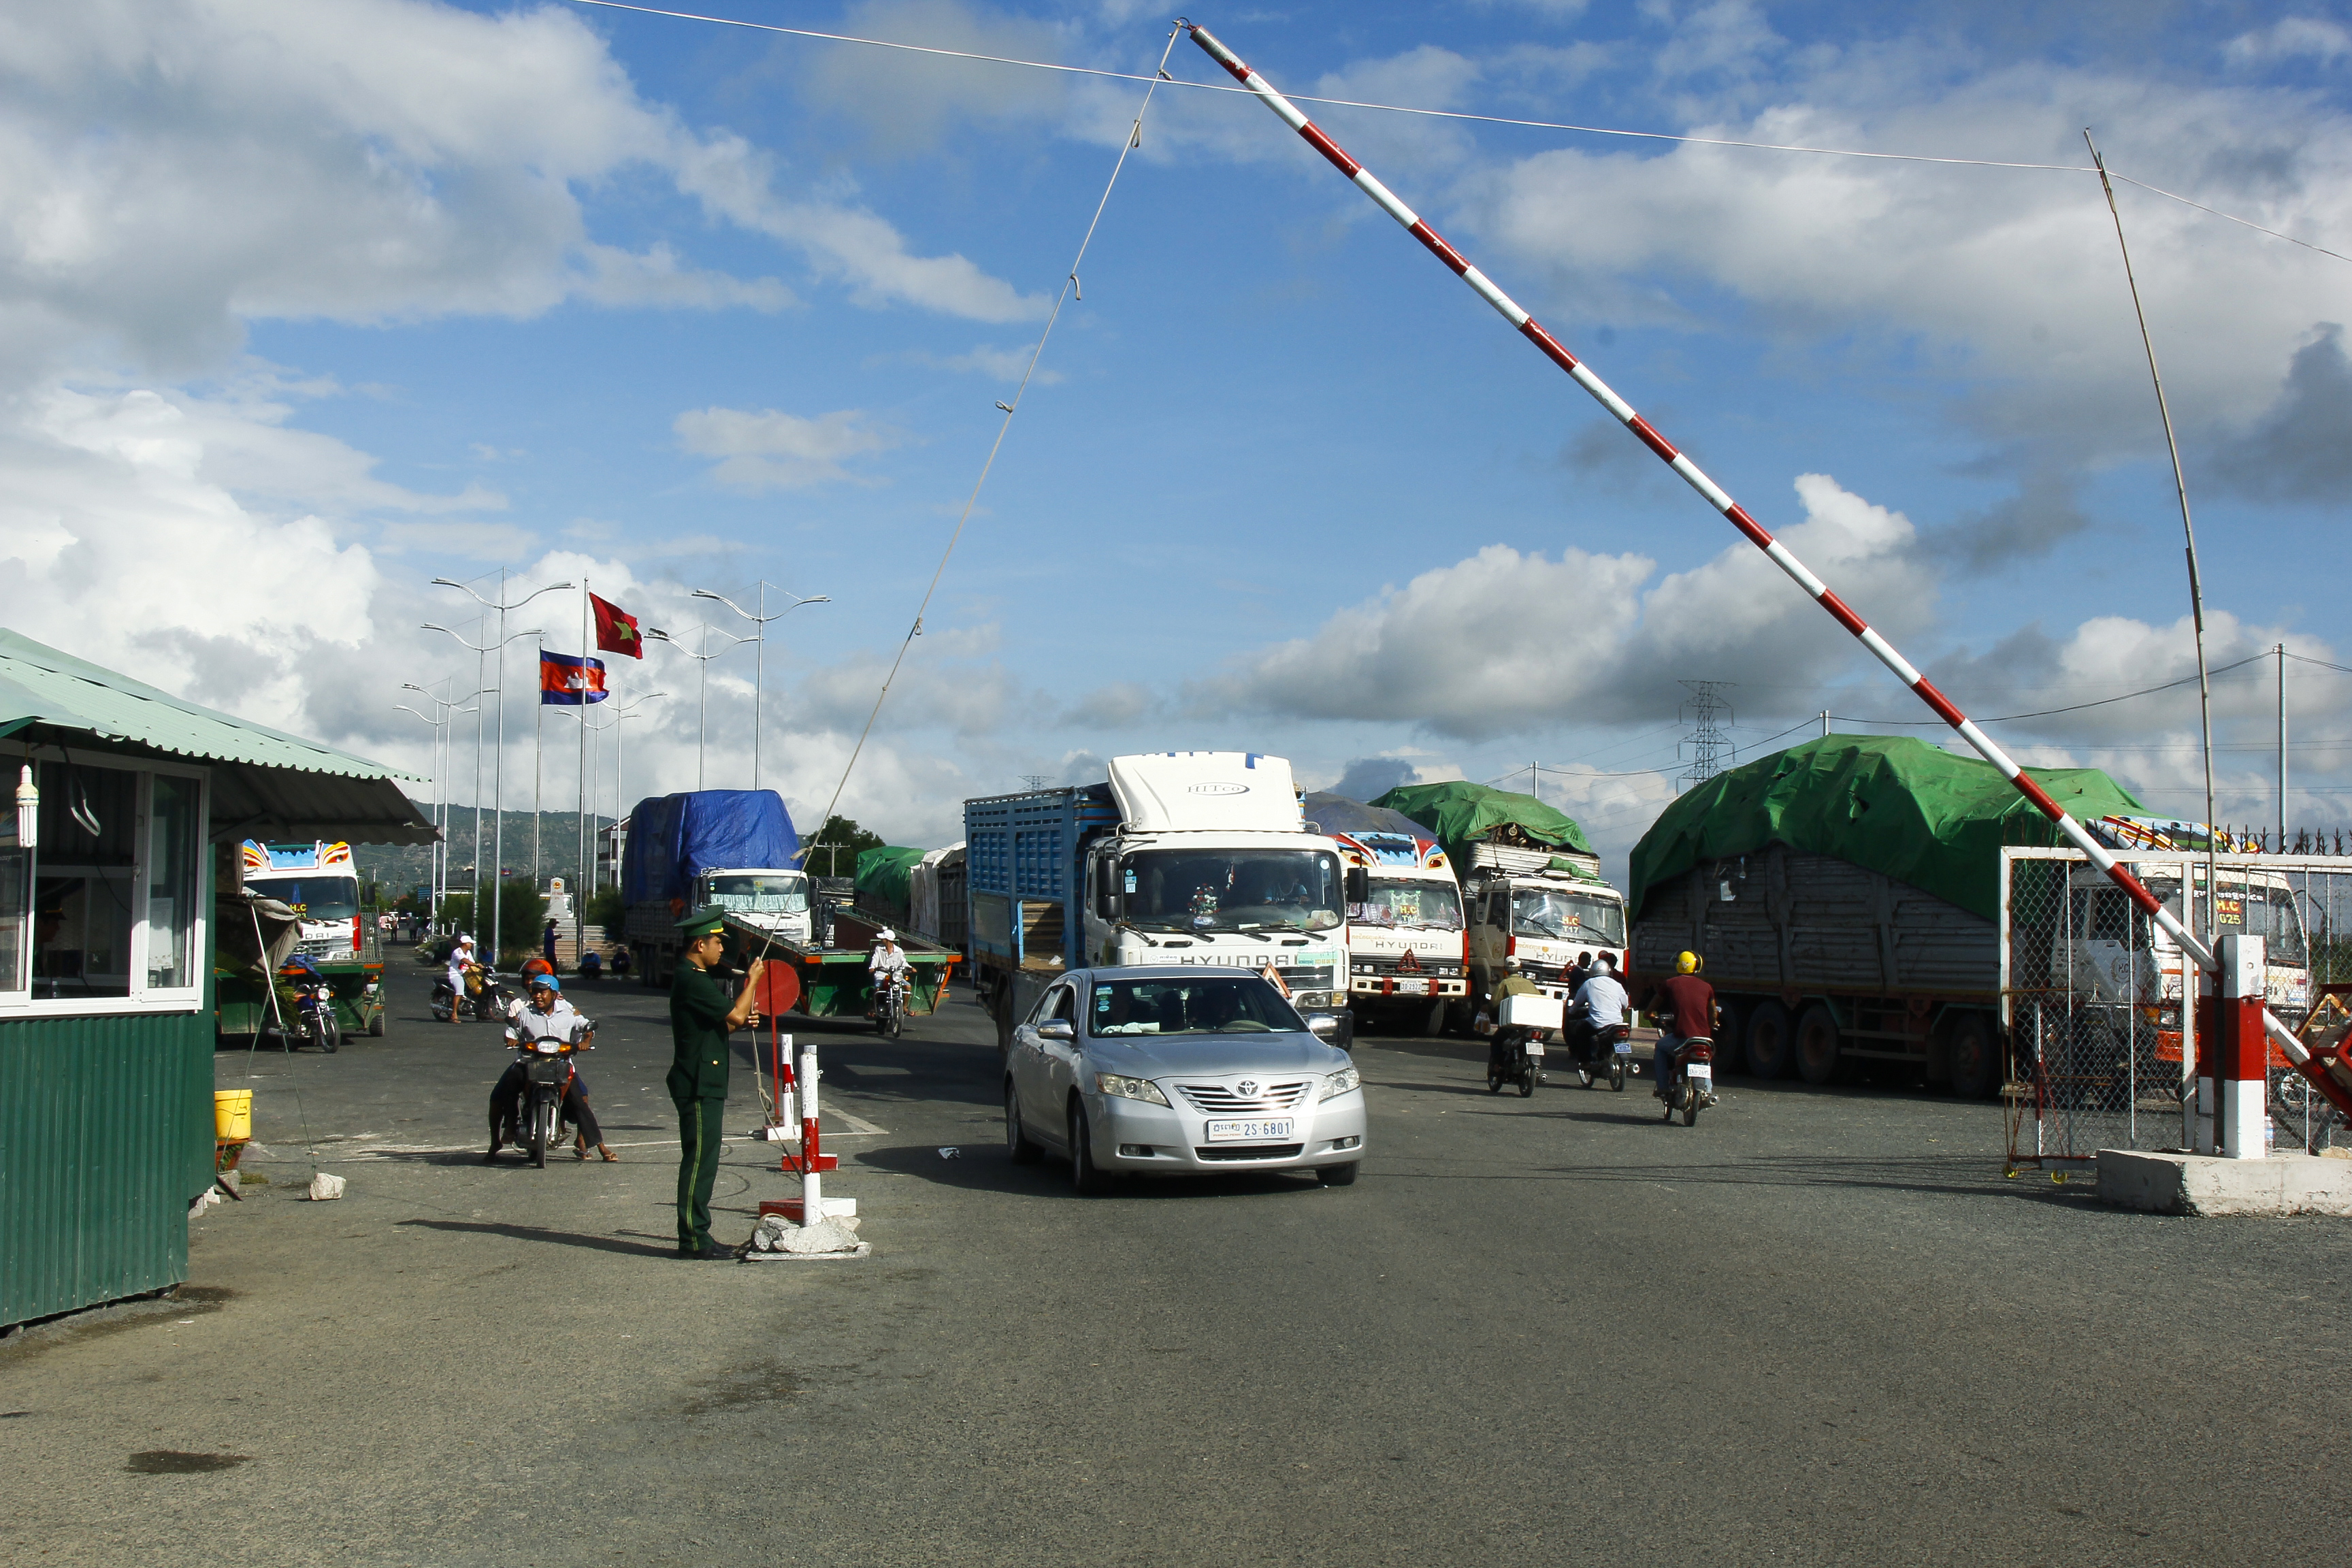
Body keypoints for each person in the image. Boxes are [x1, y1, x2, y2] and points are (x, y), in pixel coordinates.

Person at [668, 906, 764, 1260]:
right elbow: (735, 1014)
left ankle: (699, 1234)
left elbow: (726, 1023)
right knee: (699, 1162)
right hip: (697, 1081)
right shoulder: (693, 978)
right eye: (717, 943)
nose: (722, 949)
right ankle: (693, 1238)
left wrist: (742, 1014)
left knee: (705, 1160)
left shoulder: (697, 977)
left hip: (705, 1078)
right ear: (699, 944)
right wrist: (752, 981)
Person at [485, 974, 612, 1162]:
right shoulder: (525, 1013)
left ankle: (598, 1145)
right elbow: (511, 1031)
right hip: (529, 1063)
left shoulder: (568, 1012)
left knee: (580, 1100)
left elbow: (586, 1026)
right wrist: (511, 1039)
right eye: (535, 992)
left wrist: (586, 1040)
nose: (537, 996)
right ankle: (509, 1126)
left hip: (561, 1064)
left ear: (553, 994)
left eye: (542, 992)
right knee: (507, 1086)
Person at [1650, 951, 1719, 1102]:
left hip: (1682, 1037)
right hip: (1703, 1038)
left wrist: (1648, 1015)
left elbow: (1656, 1001)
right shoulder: (1707, 987)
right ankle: (1707, 1092)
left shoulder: (1670, 983)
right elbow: (1713, 1010)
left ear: (1678, 965)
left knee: (1661, 1048)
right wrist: (1714, 1023)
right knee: (1705, 1059)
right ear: (1696, 966)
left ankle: (1663, 1087)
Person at [1565, 951, 1629, 1066]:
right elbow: (1625, 1005)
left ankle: (1586, 1061)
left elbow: (1577, 1002)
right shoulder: (1617, 984)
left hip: (1598, 1023)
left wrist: (1571, 1011)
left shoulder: (1589, 983)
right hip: (1618, 1023)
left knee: (1581, 1031)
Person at [1488, 956, 1542, 1075]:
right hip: (1532, 1023)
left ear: (1505, 969)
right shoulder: (1529, 983)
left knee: (1497, 1040)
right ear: (1520, 968)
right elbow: (1539, 1000)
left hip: (1514, 1025)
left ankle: (1497, 1065)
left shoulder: (1505, 983)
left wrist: (1490, 1011)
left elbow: (1494, 1003)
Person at [867, 927, 909, 1017]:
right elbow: (875, 959)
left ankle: (905, 1007)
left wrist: (910, 968)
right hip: (881, 974)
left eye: (883, 939)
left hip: (895, 975)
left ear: (888, 940)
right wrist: (872, 967)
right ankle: (874, 1007)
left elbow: (904, 962)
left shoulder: (899, 951)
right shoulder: (879, 948)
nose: (881, 940)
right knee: (877, 988)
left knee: (908, 986)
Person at [445, 934, 476, 1025]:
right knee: (459, 992)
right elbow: (465, 961)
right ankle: (454, 1014)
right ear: (465, 944)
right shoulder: (457, 952)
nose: (471, 945)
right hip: (456, 975)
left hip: (465, 974)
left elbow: (472, 963)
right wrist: (476, 965)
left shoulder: (468, 953)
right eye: (470, 943)